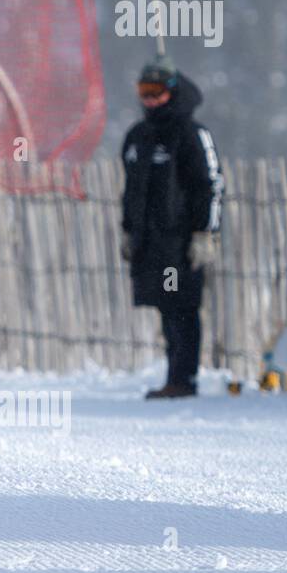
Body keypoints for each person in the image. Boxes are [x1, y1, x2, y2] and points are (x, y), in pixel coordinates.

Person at [120, 55, 223, 399]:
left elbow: (210, 184)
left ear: (173, 92)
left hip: (181, 244)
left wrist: (205, 232)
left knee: (182, 308)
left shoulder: (191, 135)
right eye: (143, 91)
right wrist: (128, 230)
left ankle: (184, 379)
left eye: (157, 91)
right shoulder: (138, 137)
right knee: (165, 308)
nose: (149, 99)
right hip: (150, 244)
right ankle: (173, 377)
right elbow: (131, 189)